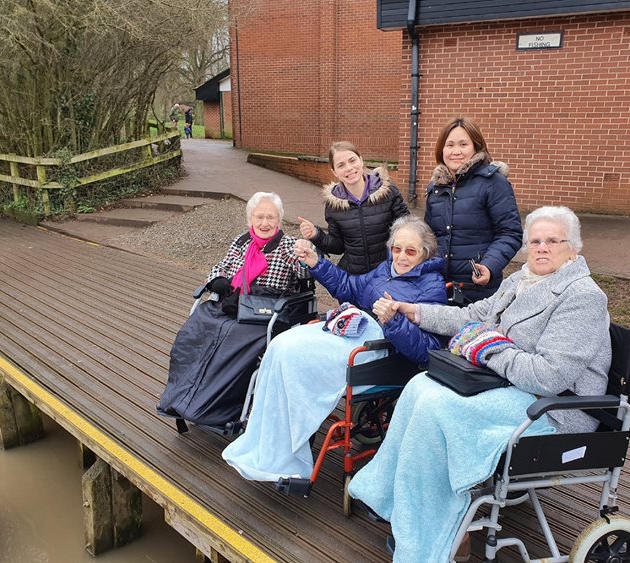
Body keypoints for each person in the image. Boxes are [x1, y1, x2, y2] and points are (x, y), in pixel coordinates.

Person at [348, 206, 611, 563]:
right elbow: (472, 317)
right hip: (511, 386)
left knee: (439, 410)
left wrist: (486, 348)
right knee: (420, 387)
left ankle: (442, 536)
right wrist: (414, 311)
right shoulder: (522, 279)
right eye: (535, 241)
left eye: (552, 241)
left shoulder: (582, 296)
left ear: (573, 249)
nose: (542, 248)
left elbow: (550, 377)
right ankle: (395, 500)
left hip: (555, 409)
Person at [222, 215, 448, 482]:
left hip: (379, 351)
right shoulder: (384, 271)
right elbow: (348, 286)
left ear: (425, 252)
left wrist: (394, 321)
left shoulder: (431, 287)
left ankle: (288, 451)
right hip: (352, 330)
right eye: (396, 249)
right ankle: (268, 443)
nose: (401, 257)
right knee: (280, 345)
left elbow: (429, 349)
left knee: (293, 355)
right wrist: (316, 263)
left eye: (410, 251)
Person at [156, 192, 310, 428]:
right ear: (250, 219)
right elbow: (222, 266)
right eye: (259, 217)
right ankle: (181, 399)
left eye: (270, 217)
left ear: (279, 220)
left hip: (263, 313)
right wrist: (217, 279)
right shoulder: (241, 242)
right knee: (193, 334)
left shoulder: (288, 245)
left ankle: (213, 408)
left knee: (229, 344)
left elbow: (305, 272)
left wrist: (306, 255)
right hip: (232, 304)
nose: (264, 223)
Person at [425, 117, 523, 304]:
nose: (456, 151)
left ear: (476, 147)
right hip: (440, 287)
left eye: (463, 144)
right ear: (441, 149)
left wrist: (489, 265)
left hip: (478, 290)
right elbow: (430, 237)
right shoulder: (435, 189)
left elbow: (510, 233)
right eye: (450, 145)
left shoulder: (494, 183)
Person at [298, 141, 409, 276]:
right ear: (334, 172)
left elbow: (408, 230)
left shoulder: (388, 191)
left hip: (387, 273)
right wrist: (316, 235)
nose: (349, 168)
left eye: (352, 160)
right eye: (341, 165)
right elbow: (338, 246)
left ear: (361, 160)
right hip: (355, 277)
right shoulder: (333, 205)